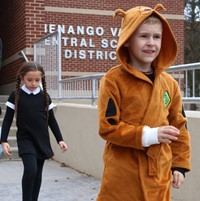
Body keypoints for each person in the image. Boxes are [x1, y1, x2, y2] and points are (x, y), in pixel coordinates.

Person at [96, 3, 191, 201]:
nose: (151, 43)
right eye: (143, 36)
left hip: (159, 174)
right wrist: (150, 135)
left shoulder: (170, 84)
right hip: (123, 176)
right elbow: (108, 127)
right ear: (128, 40)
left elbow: (179, 126)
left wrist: (179, 165)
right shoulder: (113, 81)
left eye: (156, 37)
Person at [0, 61, 68, 201]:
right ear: (22, 78)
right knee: (31, 170)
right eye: (29, 80)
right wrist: (3, 140)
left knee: (37, 174)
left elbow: (52, 120)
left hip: (42, 140)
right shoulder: (16, 96)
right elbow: (7, 119)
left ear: (41, 79)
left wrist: (60, 139)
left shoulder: (45, 97)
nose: (34, 83)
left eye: (37, 80)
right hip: (25, 139)